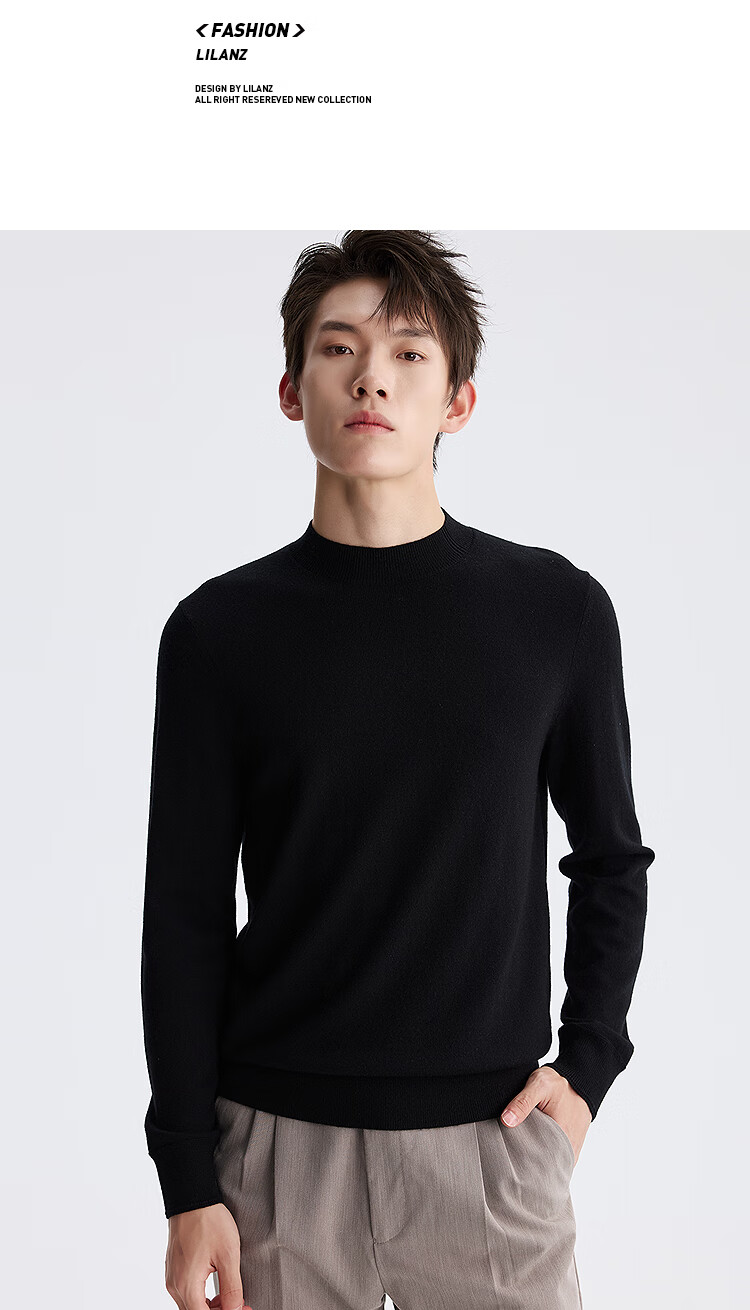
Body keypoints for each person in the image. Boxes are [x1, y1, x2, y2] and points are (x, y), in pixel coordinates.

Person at [140, 230, 655, 1310]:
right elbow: (183, 910)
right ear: (293, 390)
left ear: (457, 402)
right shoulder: (218, 632)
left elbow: (610, 858)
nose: (371, 375)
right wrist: (188, 1177)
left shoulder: (554, 613)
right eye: (339, 348)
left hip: (492, 1150)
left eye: (409, 353)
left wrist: (587, 1069)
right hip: (273, 1159)